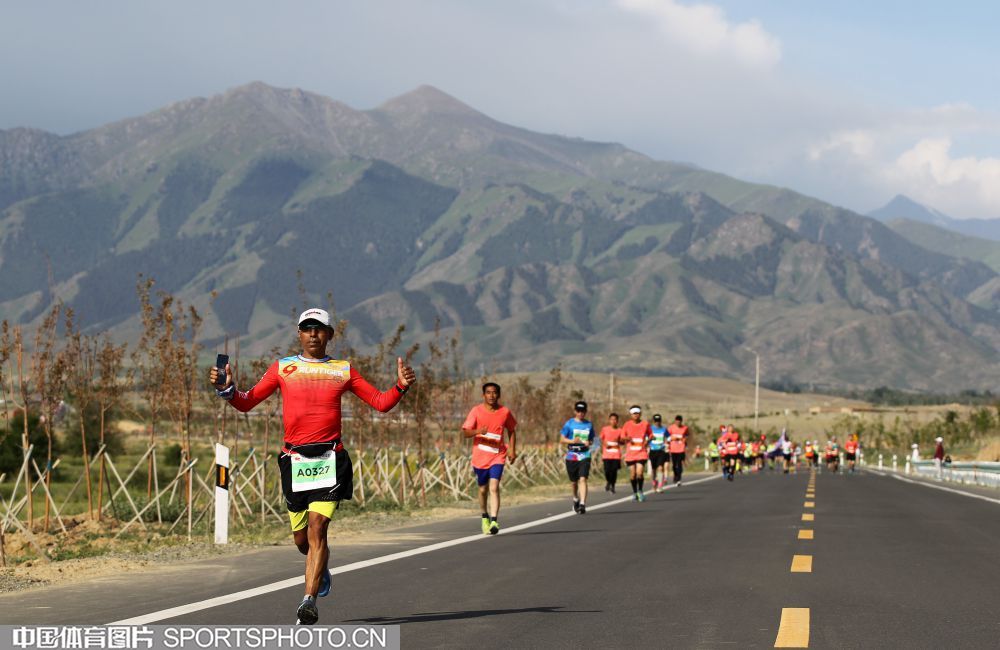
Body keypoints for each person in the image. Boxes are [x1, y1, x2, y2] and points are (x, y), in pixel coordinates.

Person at [209, 307, 416, 625]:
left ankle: (309, 600)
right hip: (294, 460)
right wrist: (227, 390)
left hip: (330, 459)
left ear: (330, 335)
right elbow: (247, 401)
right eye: (307, 328)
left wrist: (400, 386)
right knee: (302, 540)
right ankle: (320, 569)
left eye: (319, 328)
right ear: (299, 334)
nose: (313, 334)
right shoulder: (283, 368)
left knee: (319, 527)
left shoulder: (343, 370)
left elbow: (381, 403)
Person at [462, 382, 517, 535]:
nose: (491, 395)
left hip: (498, 456)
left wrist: (512, 449)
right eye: (488, 392)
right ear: (483, 395)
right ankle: (484, 516)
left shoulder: (505, 412)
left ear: (498, 395)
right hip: (480, 457)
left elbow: (512, 430)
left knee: (493, 487)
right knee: (482, 489)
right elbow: (466, 433)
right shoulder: (476, 411)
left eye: (494, 393)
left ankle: (494, 520)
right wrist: (479, 431)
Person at [561, 400, 596, 514]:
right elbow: (562, 439)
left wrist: (589, 443)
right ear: (575, 411)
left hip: (584, 454)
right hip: (572, 455)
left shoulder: (589, 425)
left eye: (583, 411)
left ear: (586, 412)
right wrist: (572, 440)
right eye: (579, 411)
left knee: (583, 479)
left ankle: (582, 504)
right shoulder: (569, 423)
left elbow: (592, 440)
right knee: (574, 482)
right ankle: (575, 498)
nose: (581, 413)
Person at [622, 406, 652, 501]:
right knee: (632, 474)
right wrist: (627, 438)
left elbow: (651, 434)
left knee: (639, 473)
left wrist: (648, 440)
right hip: (630, 453)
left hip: (641, 452)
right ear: (631, 414)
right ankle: (634, 492)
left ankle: (640, 491)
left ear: (640, 414)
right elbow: (622, 436)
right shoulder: (627, 424)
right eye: (634, 413)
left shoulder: (645, 424)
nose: (636, 415)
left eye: (637, 413)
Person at [600, 413, 624, 493]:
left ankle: (613, 485)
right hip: (606, 454)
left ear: (617, 421)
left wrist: (620, 441)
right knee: (607, 471)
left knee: (614, 471)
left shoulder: (620, 430)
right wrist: (605, 444)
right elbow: (601, 439)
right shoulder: (605, 429)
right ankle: (608, 481)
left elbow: (622, 442)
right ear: (609, 420)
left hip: (616, 454)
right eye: (612, 419)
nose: (613, 421)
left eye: (615, 420)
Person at [648, 414, 669, 492]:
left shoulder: (664, 429)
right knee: (653, 469)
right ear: (654, 421)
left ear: (661, 421)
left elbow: (669, 437)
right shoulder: (650, 429)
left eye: (659, 421)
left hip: (661, 451)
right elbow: (646, 437)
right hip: (653, 451)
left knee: (660, 468)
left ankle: (660, 486)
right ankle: (654, 482)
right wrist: (649, 440)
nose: (657, 422)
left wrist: (667, 444)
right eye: (656, 421)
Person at [667, 415, 689, 485]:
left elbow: (687, 435)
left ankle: (679, 478)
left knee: (679, 464)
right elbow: (667, 436)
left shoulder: (685, 428)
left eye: (679, 421)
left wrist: (685, 439)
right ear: (675, 421)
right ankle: (675, 475)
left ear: (681, 421)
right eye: (677, 421)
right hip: (673, 449)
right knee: (674, 465)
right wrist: (671, 439)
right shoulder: (671, 428)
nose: (678, 422)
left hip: (681, 449)